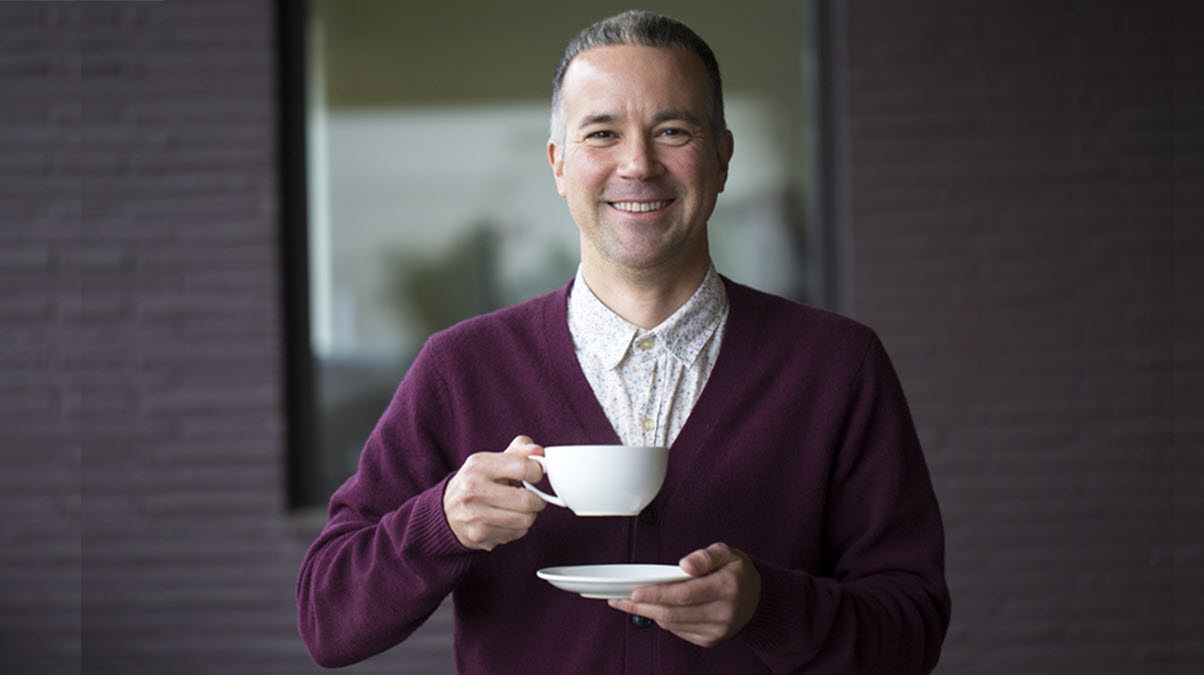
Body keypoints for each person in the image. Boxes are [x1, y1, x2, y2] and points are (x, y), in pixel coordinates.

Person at [297, 10, 950, 674]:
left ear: (723, 158)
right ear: (559, 164)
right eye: (602, 133)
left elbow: (911, 633)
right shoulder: (460, 369)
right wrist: (441, 522)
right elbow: (327, 617)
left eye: (673, 130)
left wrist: (768, 605)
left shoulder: (837, 367)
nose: (637, 164)